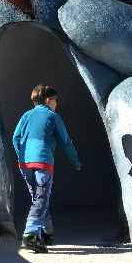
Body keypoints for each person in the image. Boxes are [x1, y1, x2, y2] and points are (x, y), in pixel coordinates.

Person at [12, 84, 81, 253]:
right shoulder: (53, 116)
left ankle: (47, 233)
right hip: (43, 162)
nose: (57, 104)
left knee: (39, 199)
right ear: (49, 100)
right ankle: (30, 235)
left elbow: (15, 138)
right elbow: (66, 142)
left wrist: (22, 156)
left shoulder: (26, 115)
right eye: (56, 101)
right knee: (41, 199)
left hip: (25, 164)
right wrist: (76, 161)